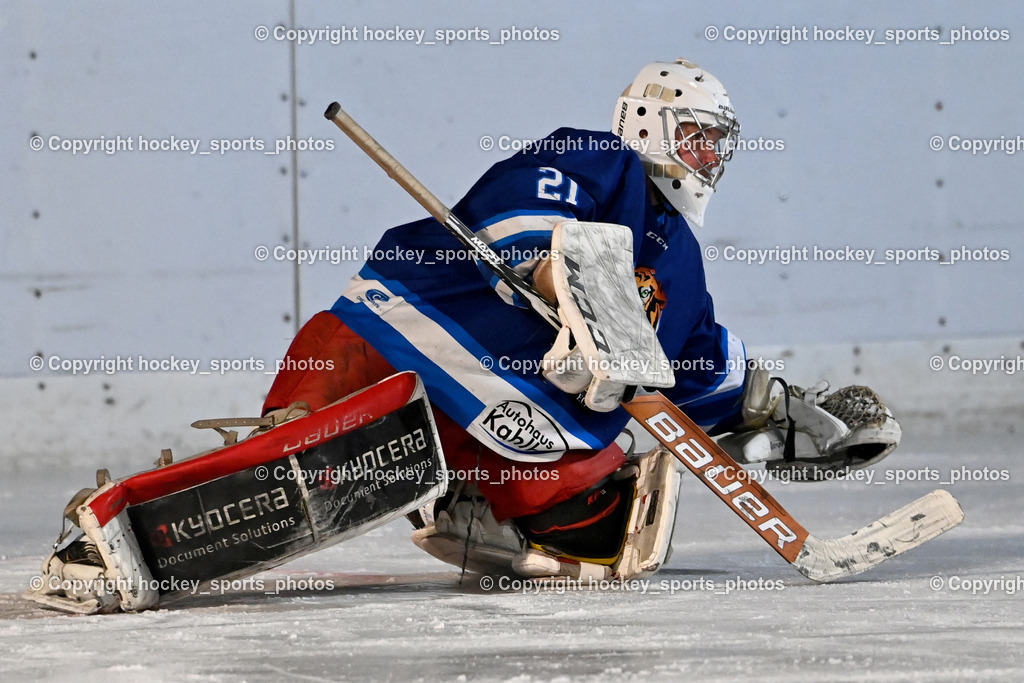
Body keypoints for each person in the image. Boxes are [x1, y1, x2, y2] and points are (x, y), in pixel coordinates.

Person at [262, 58, 899, 578]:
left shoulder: (682, 265)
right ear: (648, 123)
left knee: (609, 524)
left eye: (716, 144)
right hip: (420, 328)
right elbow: (525, 204)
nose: (707, 157)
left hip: (508, 418)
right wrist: (551, 269)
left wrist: (781, 415)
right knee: (341, 348)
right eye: (695, 135)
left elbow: (698, 366)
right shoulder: (602, 160)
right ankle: (285, 440)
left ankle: (482, 510)